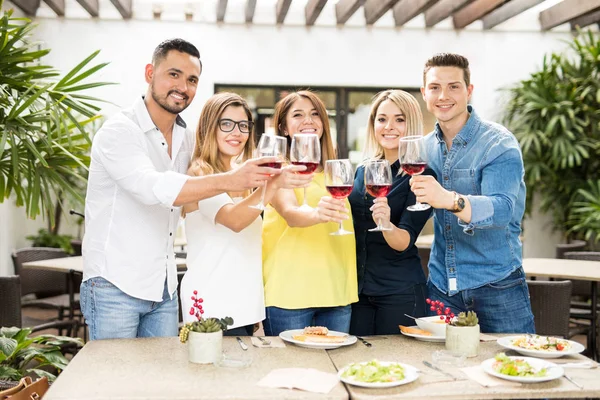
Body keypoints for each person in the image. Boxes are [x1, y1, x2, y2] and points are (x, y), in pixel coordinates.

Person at [81, 39, 282, 340]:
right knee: (115, 382)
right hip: (114, 284)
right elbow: (153, 188)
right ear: (150, 73)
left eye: (191, 80)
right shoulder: (119, 132)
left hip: (164, 288)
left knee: (164, 383)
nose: (182, 86)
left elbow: (211, 166)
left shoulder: (187, 139)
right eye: (173, 74)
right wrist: (234, 180)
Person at [410, 53, 535, 333]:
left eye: (453, 86)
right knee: (445, 371)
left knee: (515, 368)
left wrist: (450, 200)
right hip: (442, 286)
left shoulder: (498, 143)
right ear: (424, 93)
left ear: (469, 90)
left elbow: (503, 210)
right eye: (434, 87)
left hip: (497, 284)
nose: (443, 95)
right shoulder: (423, 148)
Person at [180, 93, 311, 336]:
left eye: (243, 126)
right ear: (210, 128)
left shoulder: (243, 175)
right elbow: (235, 220)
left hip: (243, 305)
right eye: (226, 124)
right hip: (212, 304)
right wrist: (273, 184)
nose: (237, 133)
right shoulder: (200, 173)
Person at [262, 90, 358, 336]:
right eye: (298, 115)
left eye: (315, 114)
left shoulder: (335, 173)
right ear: (283, 127)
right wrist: (318, 215)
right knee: (290, 373)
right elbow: (291, 214)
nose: (309, 120)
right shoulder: (277, 171)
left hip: (336, 293)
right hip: (290, 295)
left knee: (333, 372)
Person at [348, 90, 434, 336]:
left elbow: (404, 242)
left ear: (411, 125)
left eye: (399, 119)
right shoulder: (363, 170)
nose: (389, 127)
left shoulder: (422, 176)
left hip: (400, 293)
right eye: (382, 119)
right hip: (359, 293)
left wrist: (385, 223)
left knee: (399, 367)